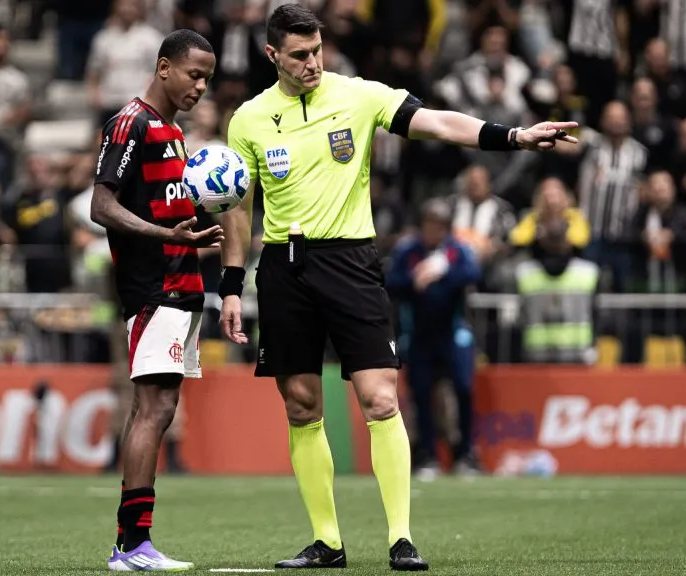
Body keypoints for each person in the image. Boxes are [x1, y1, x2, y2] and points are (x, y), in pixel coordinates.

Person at [217, 4, 578, 571]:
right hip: (284, 268)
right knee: (302, 404)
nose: (313, 63)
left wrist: (512, 136)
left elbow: (438, 122)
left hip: (350, 259)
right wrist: (231, 286)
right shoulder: (248, 120)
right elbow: (238, 210)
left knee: (381, 399)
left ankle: (401, 539)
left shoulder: (359, 95)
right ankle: (327, 542)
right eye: (299, 55)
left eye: (317, 51)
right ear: (272, 55)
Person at [89, 28, 221, 572]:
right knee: (154, 408)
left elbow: (168, 207)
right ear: (164, 67)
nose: (201, 87)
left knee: (157, 408)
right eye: (194, 74)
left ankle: (132, 543)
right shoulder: (131, 122)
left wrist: (198, 227)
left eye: (207, 79)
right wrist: (168, 236)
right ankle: (132, 545)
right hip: (153, 288)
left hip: (182, 285)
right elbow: (101, 206)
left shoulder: (173, 131)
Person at [386, 198, 482, 480]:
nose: (434, 230)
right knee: (421, 393)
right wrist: (416, 280)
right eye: (430, 224)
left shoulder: (456, 250)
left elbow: (473, 273)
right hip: (419, 334)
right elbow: (392, 282)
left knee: (463, 388)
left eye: (439, 225)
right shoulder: (409, 251)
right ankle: (427, 455)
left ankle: (465, 454)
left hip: (453, 332)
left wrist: (443, 272)